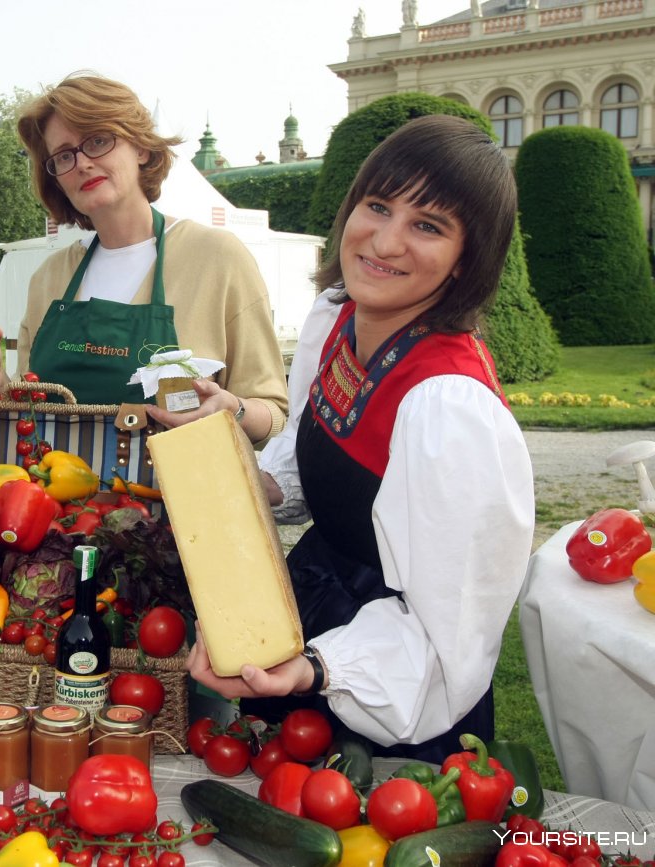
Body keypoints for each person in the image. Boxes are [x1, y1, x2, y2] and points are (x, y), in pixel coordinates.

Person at [188, 115, 535, 762]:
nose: (386, 239)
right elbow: (307, 451)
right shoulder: (339, 316)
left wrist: (319, 668)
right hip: (308, 612)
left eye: (428, 225)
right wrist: (236, 471)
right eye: (378, 205)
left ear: (468, 260)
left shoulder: (450, 409)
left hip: (391, 687)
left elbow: (448, 637)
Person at [0, 73, 288, 445]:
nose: (82, 163)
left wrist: (235, 410)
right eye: (64, 156)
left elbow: (274, 414)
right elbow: (32, 409)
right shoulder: (49, 278)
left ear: (142, 148)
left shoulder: (217, 257)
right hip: (54, 497)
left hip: (178, 498)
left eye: (98, 141)